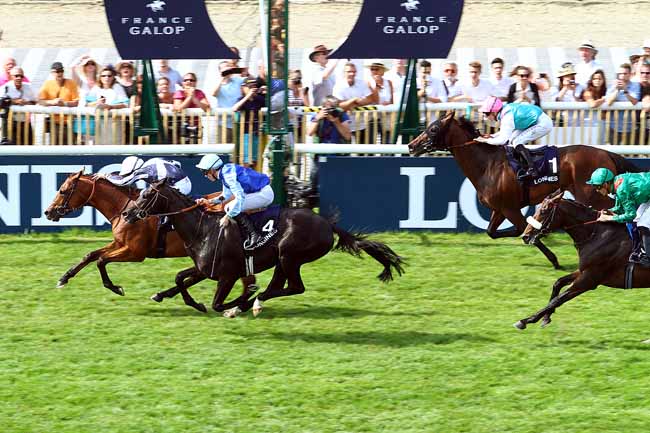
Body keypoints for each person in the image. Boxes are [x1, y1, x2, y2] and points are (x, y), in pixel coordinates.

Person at [194, 154, 274, 249]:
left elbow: (240, 198)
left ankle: (254, 235)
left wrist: (227, 216)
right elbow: (225, 196)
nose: (205, 175)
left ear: (212, 170)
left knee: (230, 207)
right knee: (229, 206)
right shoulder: (225, 172)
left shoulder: (228, 175)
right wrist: (208, 201)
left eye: (205, 172)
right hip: (259, 192)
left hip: (264, 194)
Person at [475, 96, 554, 179]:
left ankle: (532, 169)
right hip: (533, 122)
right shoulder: (504, 111)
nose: (486, 117)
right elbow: (505, 133)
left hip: (542, 124)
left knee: (517, 142)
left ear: (494, 112)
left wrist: (485, 141)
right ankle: (523, 165)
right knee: (512, 140)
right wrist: (492, 136)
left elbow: (502, 140)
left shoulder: (507, 117)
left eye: (487, 114)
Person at [588, 167, 650, 266]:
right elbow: (620, 208)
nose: (596, 190)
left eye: (598, 187)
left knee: (644, 224)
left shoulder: (621, 189)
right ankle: (639, 250)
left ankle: (648, 258)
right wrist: (608, 211)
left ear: (606, 184)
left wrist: (609, 218)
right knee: (637, 219)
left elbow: (630, 215)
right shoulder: (617, 184)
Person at [38, 61, 80, 145]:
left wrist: (64, 104)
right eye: (57, 71)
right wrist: (52, 102)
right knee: (54, 149)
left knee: (71, 149)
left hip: (69, 124)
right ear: (52, 73)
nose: (59, 73)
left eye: (61, 71)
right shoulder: (48, 84)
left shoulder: (71, 83)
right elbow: (40, 101)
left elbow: (76, 102)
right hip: (54, 124)